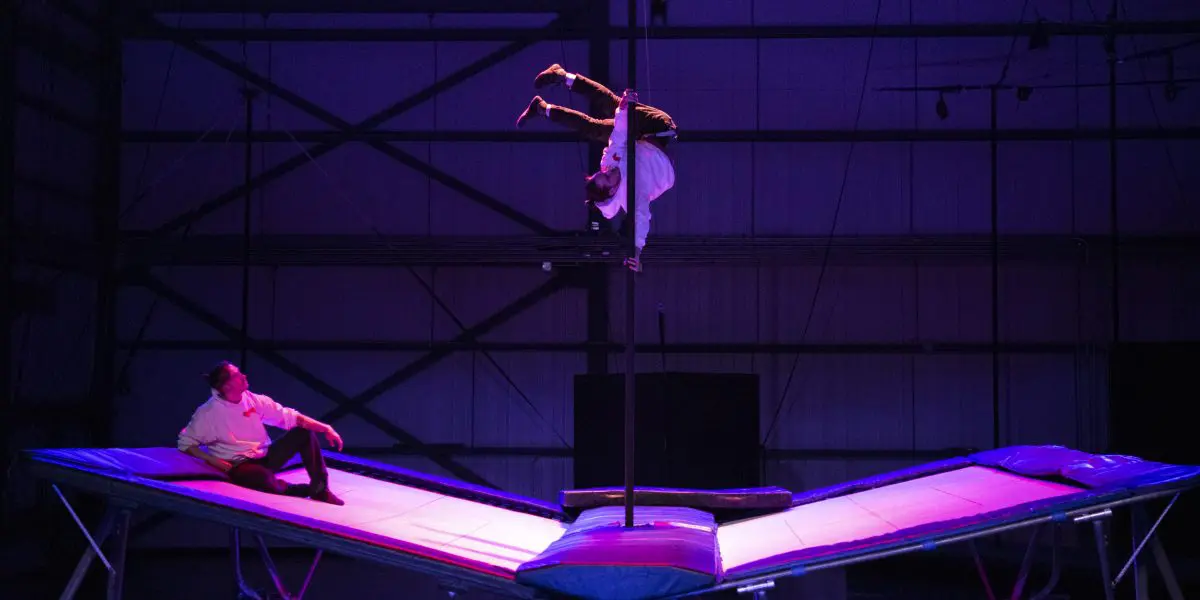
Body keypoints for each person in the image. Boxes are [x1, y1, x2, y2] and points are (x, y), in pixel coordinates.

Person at [516, 64, 677, 271]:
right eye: (608, 178)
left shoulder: (608, 164)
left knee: (602, 121)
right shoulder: (632, 194)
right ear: (612, 190)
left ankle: (546, 103)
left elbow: (619, 137)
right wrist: (636, 254)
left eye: (603, 173)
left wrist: (624, 110)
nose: (609, 171)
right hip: (662, 137)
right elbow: (641, 220)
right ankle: (554, 89)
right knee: (612, 106)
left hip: (640, 141)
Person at [177, 361, 346, 506]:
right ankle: (297, 489)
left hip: (264, 456)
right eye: (237, 375)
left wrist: (326, 428)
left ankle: (320, 489)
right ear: (227, 385)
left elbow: (291, 417)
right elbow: (185, 443)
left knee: (303, 433)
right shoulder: (208, 413)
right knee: (262, 478)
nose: (244, 376)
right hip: (239, 464)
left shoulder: (253, 400)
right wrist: (214, 461)